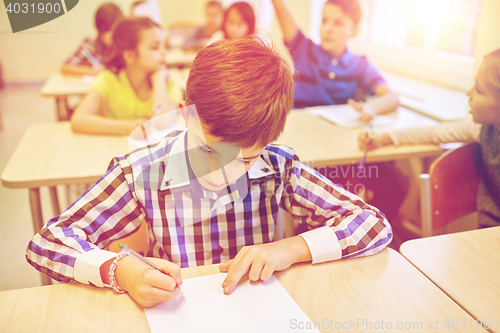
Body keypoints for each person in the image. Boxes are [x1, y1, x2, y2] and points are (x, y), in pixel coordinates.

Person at [27, 37, 392, 308]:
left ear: (268, 141)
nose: (225, 174)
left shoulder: (279, 165)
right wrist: (119, 269)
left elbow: (373, 224)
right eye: (209, 152)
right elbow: (47, 243)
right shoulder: (142, 171)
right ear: (186, 113)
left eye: (245, 160)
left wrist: (288, 249)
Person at [359, 49, 500, 229]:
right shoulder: (482, 129)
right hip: (485, 234)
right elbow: (436, 132)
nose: (468, 92)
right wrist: (386, 137)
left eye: (479, 90)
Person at [271, 0, 398, 121]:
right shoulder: (304, 49)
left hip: (331, 133)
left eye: (338, 23)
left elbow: (392, 97)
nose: (328, 28)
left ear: (354, 31)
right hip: (298, 126)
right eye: (324, 21)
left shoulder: (360, 66)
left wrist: (371, 107)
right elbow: (280, 8)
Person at [71, 17, 183, 136]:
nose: (164, 52)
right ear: (130, 55)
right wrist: (126, 127)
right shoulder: (109, 80)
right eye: (155, 47)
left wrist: (159, 80)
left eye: (165, 46)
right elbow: (78, 120)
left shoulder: (167, 83)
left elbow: (161, 122)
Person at [61, 3, 123, 77]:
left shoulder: (124, 45)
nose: (111, 35)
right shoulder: (92, 43)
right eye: (107, 30)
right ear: (99, 30)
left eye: (114, 30)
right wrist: (91, 71)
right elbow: (65, 68)